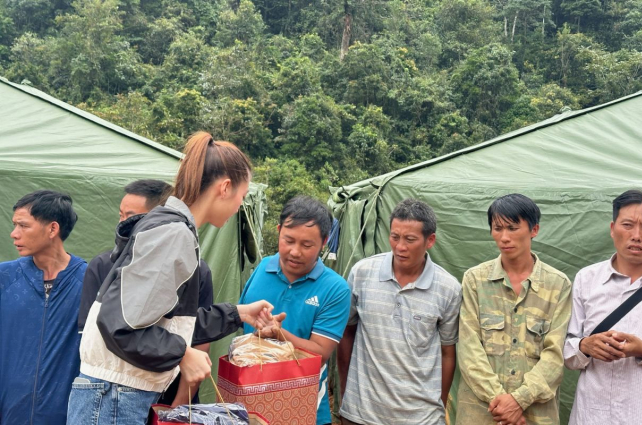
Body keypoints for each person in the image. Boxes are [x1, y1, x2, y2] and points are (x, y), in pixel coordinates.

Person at [67, 132, 273, 425]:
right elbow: (120, 326)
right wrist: (183, 354)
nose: (240, 205)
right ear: (225, 187)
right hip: (116, 396)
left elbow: (162, 322)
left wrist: (238, 314)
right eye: (242, 196)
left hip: (115, 394)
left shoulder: (171, 227)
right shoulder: (173, 232)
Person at [76, 179, 214, 410]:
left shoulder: (196, 268)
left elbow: (197, 337)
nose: (123, 223)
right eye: (120, 215)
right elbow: (100, 335)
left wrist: (177, 407)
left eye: (130, 216)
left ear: (157, 219)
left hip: (170, 392)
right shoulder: (103, 265)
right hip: (117, 393)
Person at [337, 198, 462, 425]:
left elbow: (447, 352)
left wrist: (438, 406)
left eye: (410, 239)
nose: (400, 247)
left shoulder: (448, 288)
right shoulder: (362, 273)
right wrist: (347, 392)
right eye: (395, 237)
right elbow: (347, 332)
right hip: (361, 413)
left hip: (420, 418)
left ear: (430, 240)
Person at [564, 190, 642, 424]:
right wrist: (585, 345)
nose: (636, 235)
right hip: (592, 416)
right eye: (627, 224)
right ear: (612, 228)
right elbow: (567, 351)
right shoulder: (587, 279)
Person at [456, 194, 572, 425]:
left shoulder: (558, 284)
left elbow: (555, 354)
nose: (504, 237)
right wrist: (500, 402)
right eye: (497, 228)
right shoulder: (475, 280)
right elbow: (469, 348)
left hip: (535, 414)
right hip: (481, 412)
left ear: (534, 229)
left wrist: (519, 400)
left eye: (512, 227)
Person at [239, 195, 351, 425]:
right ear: (279, 231)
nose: (295, 252)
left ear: (324, 241)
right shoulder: (261, 269)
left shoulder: (335, 288)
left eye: (307, 245)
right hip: (247, 405)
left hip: (302, 410)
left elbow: (320, 354)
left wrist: (281, 334)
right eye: (288, 240)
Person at [0, 190, 87, 424]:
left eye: (23, 226)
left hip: (67, 414)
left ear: (52, 229)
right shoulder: (5, 277)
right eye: (14, 225)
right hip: (8, 412)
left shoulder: (90, 281)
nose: (14, 234)